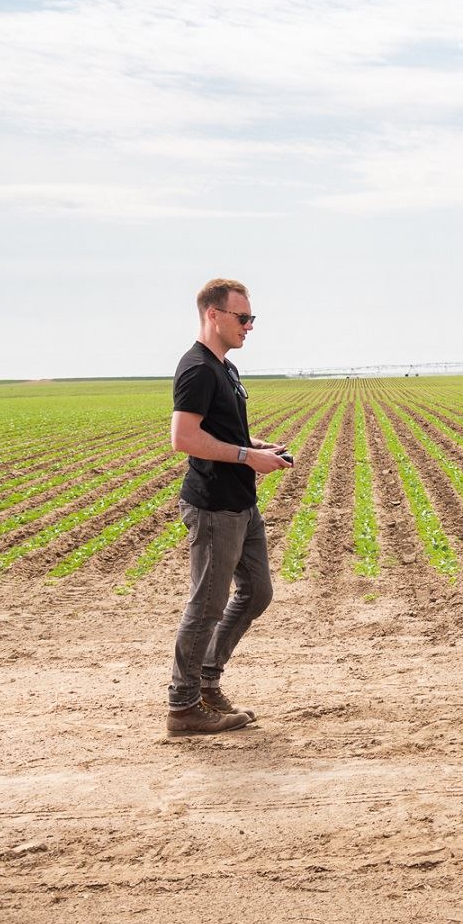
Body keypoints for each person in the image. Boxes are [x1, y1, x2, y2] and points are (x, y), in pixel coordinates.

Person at [165, 278, 292, 736]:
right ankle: (183, 707)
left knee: (256, 591)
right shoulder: (197, 368)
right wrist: (246, 457)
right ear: (213, 315)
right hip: (214, 505)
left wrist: (257, 446)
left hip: (241, 502)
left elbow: (221, 431)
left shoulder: (226, 368)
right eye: (243, 318)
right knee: (207, 603)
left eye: (252, 318)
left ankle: (206, 681)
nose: (250, 327)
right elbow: (184, 438)